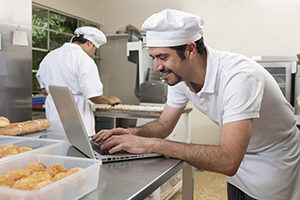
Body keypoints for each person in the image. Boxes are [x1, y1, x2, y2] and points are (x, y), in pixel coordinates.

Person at [92, 9, 300, 200]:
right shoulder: (180, 76)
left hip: (273, 162)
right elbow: (164, 125)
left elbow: (228, 160)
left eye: (163, 57)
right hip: (239, 163)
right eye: (153, 57)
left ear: (190, 50)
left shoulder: (239, 77)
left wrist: (154, 144)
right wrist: (132, 134)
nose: (157, 67)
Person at [36, 26, 120, 141]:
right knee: (79, 154)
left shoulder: (50, 56)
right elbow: (93, 95)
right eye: (95, 49)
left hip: (53, 121)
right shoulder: (84, 59)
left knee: (56, 152)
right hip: (77, 122)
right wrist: (109, 100)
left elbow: (45, 90)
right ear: (90, 43)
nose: (93, 53)